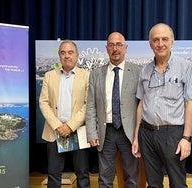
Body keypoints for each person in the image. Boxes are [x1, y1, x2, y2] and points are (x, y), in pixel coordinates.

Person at [132, 23, 192, 188]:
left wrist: (186, 138)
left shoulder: (186, 67)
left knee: (177, 182)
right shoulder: (145, 71)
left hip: (173, 134)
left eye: (164, 39)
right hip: (146, 133)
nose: (160, 44)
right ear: (150, 44)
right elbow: (141, 104)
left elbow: (190, 104)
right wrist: (136, 137)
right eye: (156, 40)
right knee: (153, 183)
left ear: (172, 42)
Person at [86, 32, 142, 188]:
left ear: (125, 47)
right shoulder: (96, 73)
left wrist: (139, 134)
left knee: (132, 177)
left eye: (119, 45)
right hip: (106, 132)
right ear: (106, 48)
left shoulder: (138, 72)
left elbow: (143, 105)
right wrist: (92, 132)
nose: (115, 49)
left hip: (129, 133)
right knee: (104, 178)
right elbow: (91, 105)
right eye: (111, 45)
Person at [39, 40, 90, 188]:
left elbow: (88, 105)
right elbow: (43, 102)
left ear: (77, 55)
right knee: (53, 173)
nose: (67, 56)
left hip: (78, 130)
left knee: (83, 173)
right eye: (63, 52)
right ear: (59, 56)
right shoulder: (49, 75)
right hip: (54, 131)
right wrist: (58, 126)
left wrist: (70, 126)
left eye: (70, 52)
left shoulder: (87, 75)